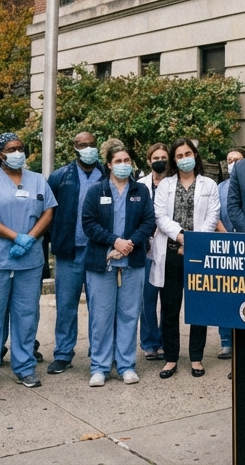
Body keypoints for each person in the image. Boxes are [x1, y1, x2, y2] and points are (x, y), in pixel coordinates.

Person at [0, 134, 56, 394]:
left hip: (28, 260)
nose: (17, 152)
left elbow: (48, 211)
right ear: (0, 154)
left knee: (27, 315)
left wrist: (30, 238)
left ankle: (25, 366)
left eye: (20, 148)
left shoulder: (38, 180)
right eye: (11, 149)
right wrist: (14, 236)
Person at [82, 139, 157, 387]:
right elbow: (89, 223)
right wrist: (114, 242)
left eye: (126, 161)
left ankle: (126, 365)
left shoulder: (141, 192)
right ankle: (100, 367)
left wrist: (129, 244)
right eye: (118, 161)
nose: (123, 165)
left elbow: (148, 223)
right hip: (102, 262)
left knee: (128, 315)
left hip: (132, 262)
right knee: (101, 316)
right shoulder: (97, 191)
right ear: (109, 165)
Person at [151, 139, 220, 379]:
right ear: (174, 160)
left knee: (198, 307)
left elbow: (212, 217)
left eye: (188, 153)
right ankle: (171, 358)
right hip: (171, 252)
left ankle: (196, 357)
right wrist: (181, 237)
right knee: (170, 308)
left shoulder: (209, 184)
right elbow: (159, 216)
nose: (184, 158)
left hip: (199, 254)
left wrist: (193, 241)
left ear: (195, 155)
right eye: (179, 155)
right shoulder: (165, 185)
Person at [46, 132, 105, 376]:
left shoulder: (107, 174)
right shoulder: (60, 176)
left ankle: (99, 354)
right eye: (83, 145)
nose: (88, 148)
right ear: (74, 148)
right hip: (69, 252)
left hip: (99, 251)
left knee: (99, 307)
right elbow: (48, 213)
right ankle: (63, 353)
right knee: (66, 305)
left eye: (92, 145)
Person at [214, 147, 245, 359]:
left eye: (237, 159)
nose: (232, 163)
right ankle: (226, 339)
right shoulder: (220, 188)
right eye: (229, 160)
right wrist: (227, 236)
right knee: (225, 293)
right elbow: (213, 215)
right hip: (226, 245)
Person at [138, 142, 170, 362]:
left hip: (168, 245)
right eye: (155, 157)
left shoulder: (174, 184)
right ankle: (150, 343)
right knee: (146, 299)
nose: (160, 161)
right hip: (146, 246)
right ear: (149, 161)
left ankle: (167, 342)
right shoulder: (140, 185)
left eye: (163, 157)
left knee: (168, 300)